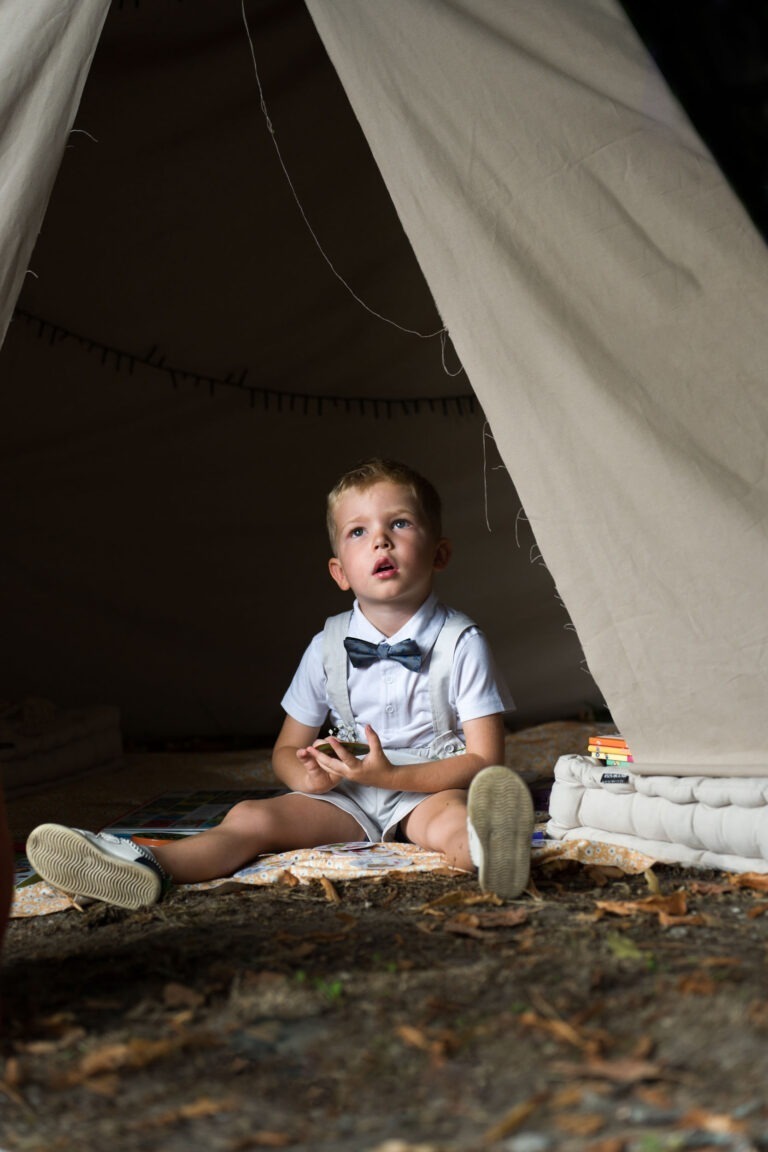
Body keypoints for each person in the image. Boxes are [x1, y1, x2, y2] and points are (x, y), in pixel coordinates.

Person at [26, 459, 534, 909]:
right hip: (348, 792)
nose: (380, 539)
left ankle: (491, 853)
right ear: (339, 572)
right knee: (251, 817)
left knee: (453, 824)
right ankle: (149, 867)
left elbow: (485, 760)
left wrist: (392, 778)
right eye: (358, 531)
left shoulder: (461, 641)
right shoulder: (328, 644)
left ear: (440, 553)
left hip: (427, 788)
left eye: (399, 523)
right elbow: (287, 748)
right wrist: (305, 777)